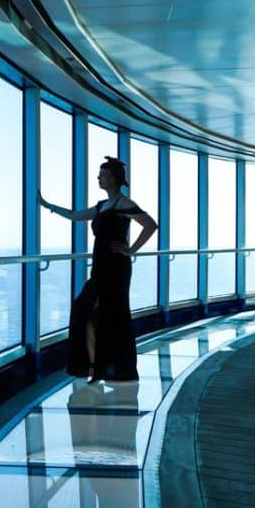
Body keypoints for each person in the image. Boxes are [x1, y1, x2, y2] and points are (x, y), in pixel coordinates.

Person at [39, 157, 158, 381]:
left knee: (113, 315)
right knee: (86, 311)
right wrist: (48, 206)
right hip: (100, 266)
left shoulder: (123, 203)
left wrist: (131, 250)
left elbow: (151, 225)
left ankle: (115, 369)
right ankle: (95, 367)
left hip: (116, 268)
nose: (98, 178)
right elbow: (75, 216)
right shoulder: (102, 206)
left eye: (102, 175)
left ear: (113, 178)